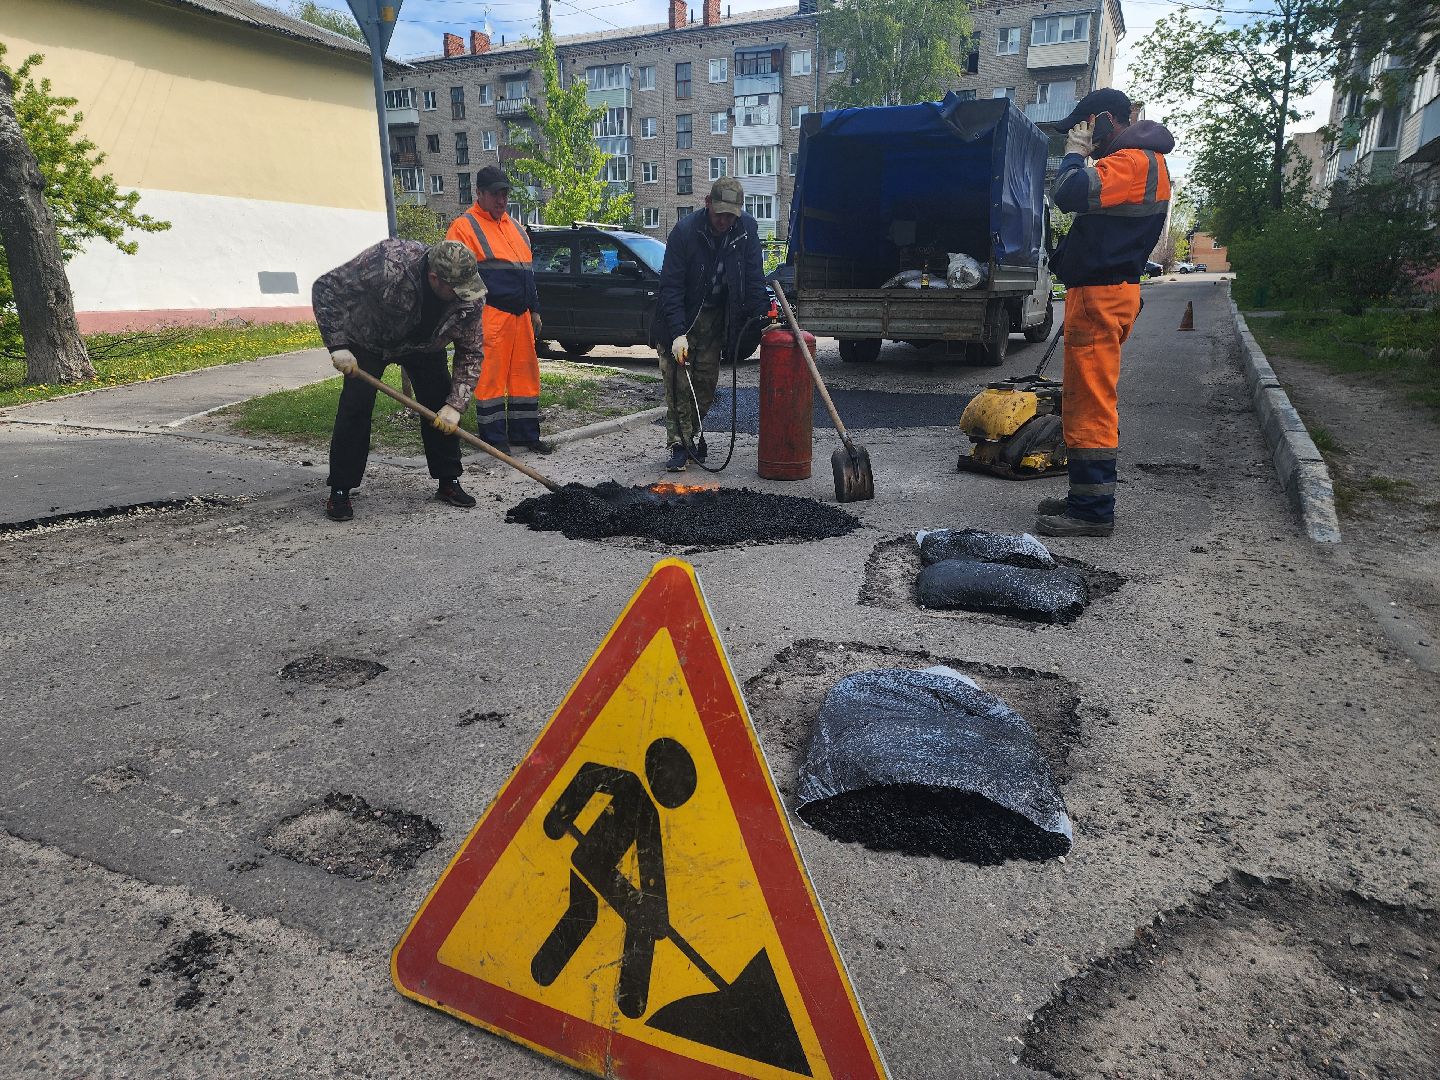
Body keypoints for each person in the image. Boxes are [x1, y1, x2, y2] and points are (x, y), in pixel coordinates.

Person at [1038, 88, 1174, 538]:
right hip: (1101, 294)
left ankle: (1093, 512)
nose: (1082, 138)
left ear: (1101, 120)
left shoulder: (1135, 162)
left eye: (1083, 128)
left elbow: (1069, 193)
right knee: (1081, 401)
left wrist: (1075, 156)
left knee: (1092, 405)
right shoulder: (1139, 163)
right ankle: (1084, 497)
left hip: (1101, 296)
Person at [313, 238, 488, 522]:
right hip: (370, 340)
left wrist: (455, 405)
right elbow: (327, 288)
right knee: (355, 407)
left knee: (439, 405)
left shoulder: (470, 292)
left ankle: (448, 481)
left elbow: (471, 351)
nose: (464, 296)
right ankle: (341, 490)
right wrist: (338, 345)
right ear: (435, 278)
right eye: (456, 291)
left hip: (424, 347)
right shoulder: (388, 261)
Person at [651, 176, 770, 472]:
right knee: (679, 384)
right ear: (708, 204)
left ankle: (691, 435)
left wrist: (764, 318)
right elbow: (671, 286)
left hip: (716, 319)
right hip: (682, 317)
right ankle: (680, 444)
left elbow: (754, 278)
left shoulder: (746, 231)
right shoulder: (685, 232)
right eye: (720, 214)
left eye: (731, 215)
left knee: (704, 385)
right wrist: (678, 333)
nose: (724, 220)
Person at [446, 166, 549, 453]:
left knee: (525, 377)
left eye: (504, 193)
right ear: (479, 193)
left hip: (521, 317)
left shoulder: (516, 228)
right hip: (490, 315)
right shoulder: (463, 228)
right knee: (491, 378)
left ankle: (525, 434)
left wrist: (535, 310)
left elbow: (528, 273)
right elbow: (456, 276)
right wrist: (472, 315)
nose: (501, 200)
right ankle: (494, 439)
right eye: (495, 194)